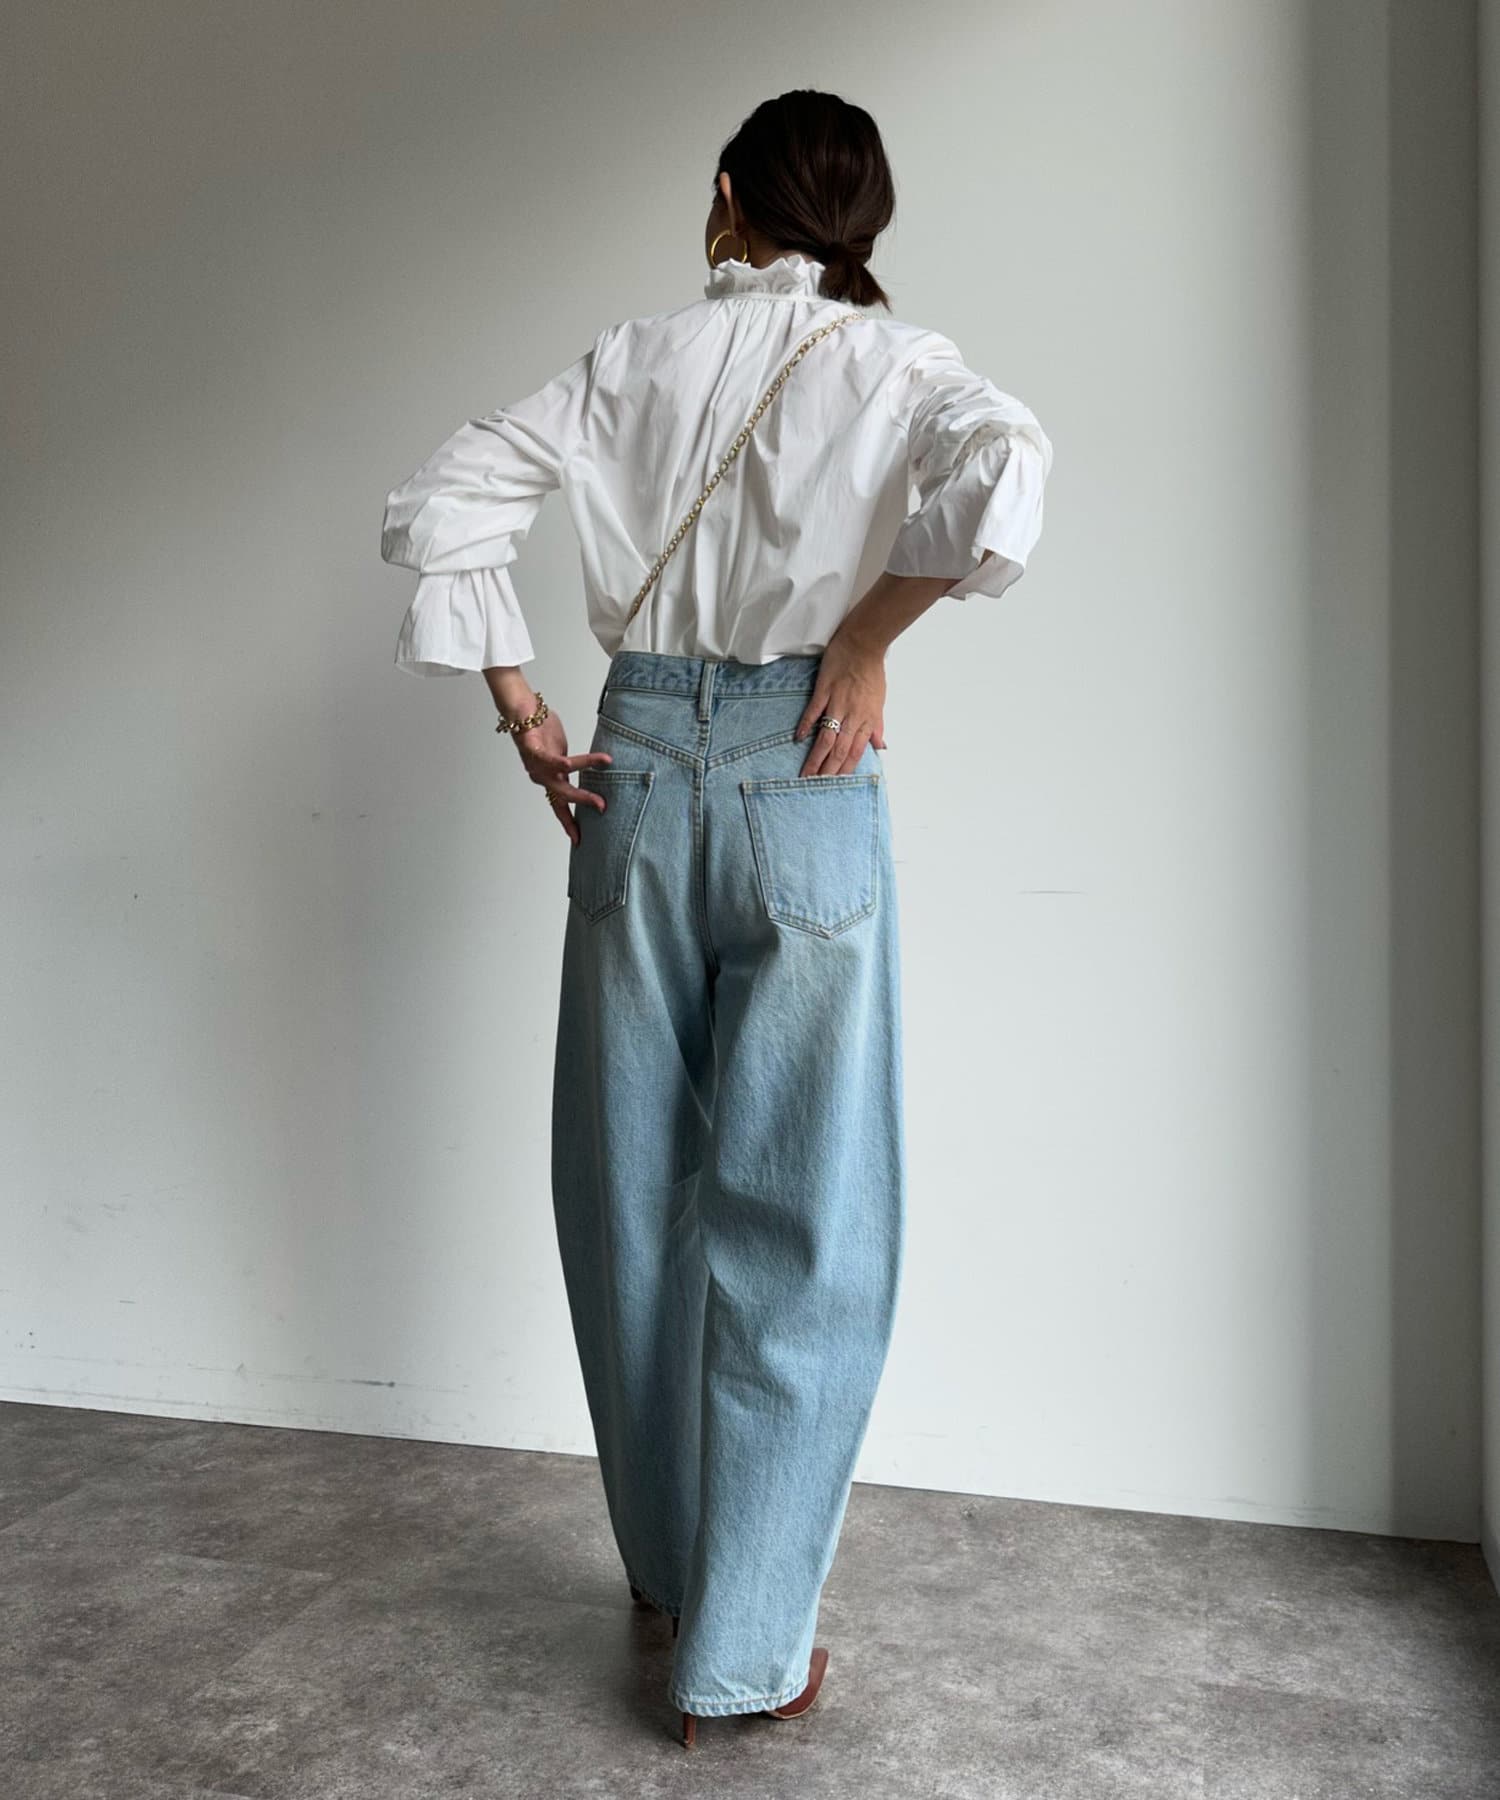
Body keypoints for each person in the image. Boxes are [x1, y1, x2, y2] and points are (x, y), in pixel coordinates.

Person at [379, 88, 1053, 1750]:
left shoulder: (632, 359)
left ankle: (676, 1573)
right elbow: (1011, 471)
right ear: (863, 224)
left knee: (625, 1191)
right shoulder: (901, 366)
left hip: (633, 768)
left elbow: (445, 494)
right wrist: (867, 636)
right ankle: (743, 1647)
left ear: (727, 200)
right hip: (801, 770)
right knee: (805, 1213)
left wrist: (528, 713)